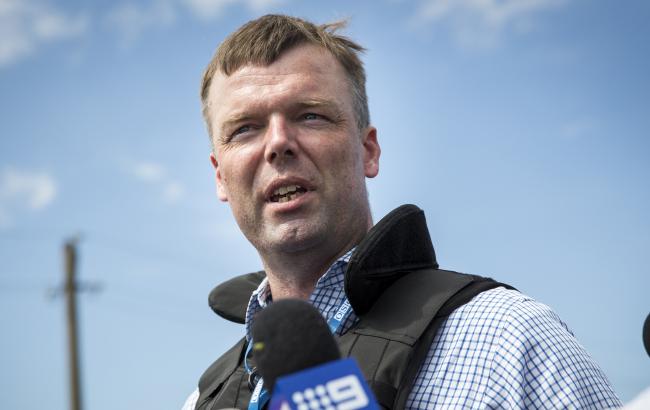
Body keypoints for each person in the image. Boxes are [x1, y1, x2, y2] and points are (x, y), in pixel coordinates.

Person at [183, 14, 621, 409]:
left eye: (311, 116)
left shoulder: (510, 342)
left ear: (369, 150)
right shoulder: (203, 400)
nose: (278, 142)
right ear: (220, 176)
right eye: (245, 129)